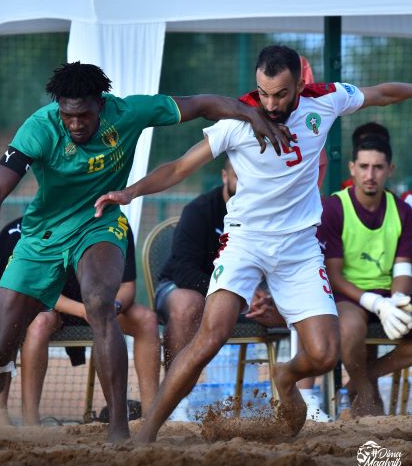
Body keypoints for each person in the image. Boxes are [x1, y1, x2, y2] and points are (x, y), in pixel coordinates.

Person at [94, 45, 412, 442]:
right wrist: (130, 192)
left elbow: (382, 93)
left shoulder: (326, 100)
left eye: (280, 94)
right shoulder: (237, 121)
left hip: (298, 249)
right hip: (246, 240)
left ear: (299, 84)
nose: (270, 103)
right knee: (211, 336)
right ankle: (145, 435)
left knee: (324, 354)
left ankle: (285, 376)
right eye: (263, 92)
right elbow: (178, 167)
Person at [0, 61, 290, 442]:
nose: (75, 124)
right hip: (43, 233)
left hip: (99, 221)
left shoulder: (130, 112)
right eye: (67, 116)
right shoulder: (40, 127)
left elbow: (203, 103)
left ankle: (119, 431)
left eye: (84, 115)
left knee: (100, 302)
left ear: (101, 105)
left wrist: (252, 114)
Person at [0, 217, 160, 425]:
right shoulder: (46, 220)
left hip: (104, 305)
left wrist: (113, 306)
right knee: (38, 325)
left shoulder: (116, 222)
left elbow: (128, 287)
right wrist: (84, 310)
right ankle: (31, 421)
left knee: (147, 320)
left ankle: (152, 416)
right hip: (54, 305)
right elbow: (39, 288)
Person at [317, 123, 412, 416]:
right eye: (364, 166)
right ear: (352, 168)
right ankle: (366, 390)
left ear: (390, 169)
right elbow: (334, 275)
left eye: (378, 167)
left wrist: (396, 301)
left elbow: (403, 269)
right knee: (351, 328)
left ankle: (363, 380)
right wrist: (375, 303)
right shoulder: (334, 207)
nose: (371, 175)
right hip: (349, 296)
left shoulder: (404, 212)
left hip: (388, 292)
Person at [156, 157, 282, 370]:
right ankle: (176, 399)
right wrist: (236, 294)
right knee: (187, 305)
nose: (246, 184)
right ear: (225, 176)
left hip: (245, 296)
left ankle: (301, 394)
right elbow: (183, 272)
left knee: (294, 307)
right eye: (239, 176)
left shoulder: (269, 216)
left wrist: (266, 299)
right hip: (186, 288)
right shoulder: (198, 211)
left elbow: (277, 267)